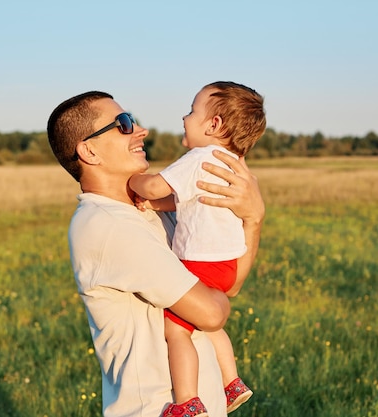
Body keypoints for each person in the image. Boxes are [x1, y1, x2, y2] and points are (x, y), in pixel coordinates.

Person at [46, 91, 265, 417]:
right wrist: (216, 297)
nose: (140, 130)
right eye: (123, 124)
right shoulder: (107, 225)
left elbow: (228, 283)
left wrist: (252, 219)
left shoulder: (147, 210)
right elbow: (212, 313)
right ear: (89, 150)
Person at [129, 81, 266, 415]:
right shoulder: (230, 162)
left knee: (176, 332)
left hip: (199, 262)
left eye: (192, 111)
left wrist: (133, 182)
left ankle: (187, 401)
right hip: (228, 262)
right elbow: (187, 202)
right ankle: (231, 381)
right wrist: (158, 206)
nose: (184, 116)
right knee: (210, 323)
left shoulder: (197, 158)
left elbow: (157, 186)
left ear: (214, 125)